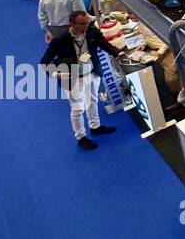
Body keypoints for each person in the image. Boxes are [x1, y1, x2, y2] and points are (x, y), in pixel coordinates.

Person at [40, 10, 123, 150]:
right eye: (82, 24)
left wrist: (117, 53)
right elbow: (44, 62)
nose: (86, 26)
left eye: (87, 23)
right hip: (72, 79)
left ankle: (95, 126)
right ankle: (81, 137)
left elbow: (104, 44)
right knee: (77, 108)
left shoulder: (92, 32)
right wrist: (57, 75)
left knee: (93, 101)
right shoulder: (60, 40)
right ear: (72, 24)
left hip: (92, 72)